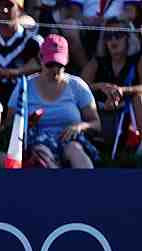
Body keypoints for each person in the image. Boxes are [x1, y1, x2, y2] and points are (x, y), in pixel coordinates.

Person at [6, 34, 101, 168]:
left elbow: (96, 124)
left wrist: (80, 127)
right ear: (41, 58)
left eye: (59, 64)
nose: (55, 70)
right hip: (36, 143)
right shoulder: (24, 87)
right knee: (42, 153)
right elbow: (9, 124)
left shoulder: (77, 86)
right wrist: (26, 123)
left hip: (70, 141)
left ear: (67, 60)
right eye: (50, 64)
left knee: (75, 150)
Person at [81, 18, 142, 143]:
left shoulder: (137, 60)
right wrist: (100, 86)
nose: (113, 40)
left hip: (129, 113)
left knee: (140, 98)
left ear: (128, 37)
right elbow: (78, 86)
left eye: (118, 35)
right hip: (100, 112)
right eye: (108, 36)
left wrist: (124, 90)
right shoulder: (98, 62)